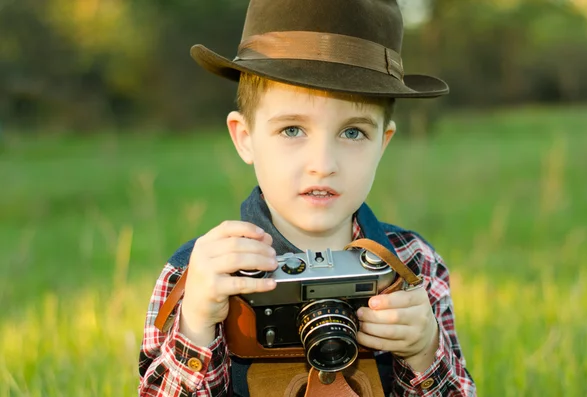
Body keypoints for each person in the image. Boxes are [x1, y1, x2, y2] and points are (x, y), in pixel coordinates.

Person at [138, 0, 476, 396]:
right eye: (292, 130)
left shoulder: (412, 267)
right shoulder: (198, 275)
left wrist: (424, 351)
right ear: (245, 138)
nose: (322, 164)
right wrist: (196, 324)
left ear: (382, 144)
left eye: (353, 133)